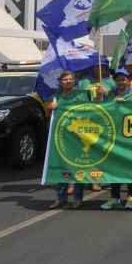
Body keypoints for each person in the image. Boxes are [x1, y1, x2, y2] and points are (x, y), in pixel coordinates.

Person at [100, 69, 132, 210]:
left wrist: (126, 105)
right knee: (114, 168)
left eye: (123, 79)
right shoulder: (110, 95)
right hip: (114, 136)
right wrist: (100, 97)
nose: (120, 82)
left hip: (131, 137)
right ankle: (115, 198)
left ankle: (131, 197)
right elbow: (102, 111)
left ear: (128, 80)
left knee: (130, 167)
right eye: (118, 79)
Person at [47, 71, 88, 209]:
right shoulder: (56, 97)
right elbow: (50, 115)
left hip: (78, 138)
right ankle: (61, 198)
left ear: (75, 81)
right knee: (61, 167)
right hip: (61, 138)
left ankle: (77, 198)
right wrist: (50, 108)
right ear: (60, 81)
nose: (68, 81)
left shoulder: (81, 94)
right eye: (65, 79)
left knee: (77, 168)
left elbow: (91, 110)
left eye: (71, 79)